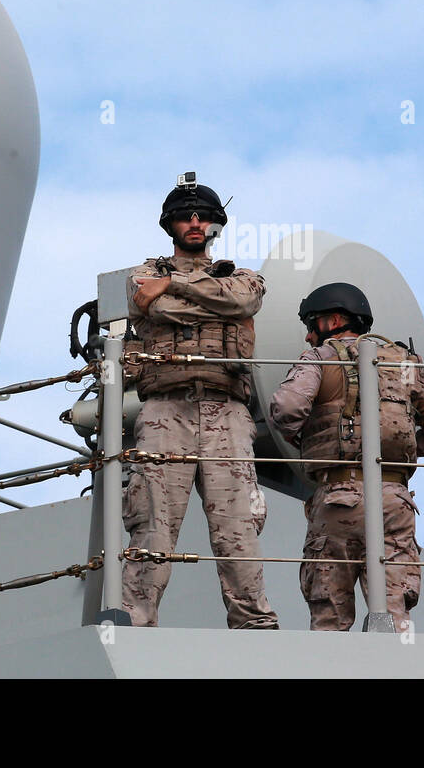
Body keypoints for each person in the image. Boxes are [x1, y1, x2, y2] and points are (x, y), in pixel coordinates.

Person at [119, 172, 279, 629]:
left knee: (237, 529)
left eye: (204, 218)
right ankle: (136, 624)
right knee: (153, 522)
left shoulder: (242, 278)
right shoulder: (143, 275)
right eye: (186, 217)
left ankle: (254, 626)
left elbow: (241, 303)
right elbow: (154, 306)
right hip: (165, 408)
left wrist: (173, 289)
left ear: (215, 226)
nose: (195, 223)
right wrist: (188, 298)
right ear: (170, 225)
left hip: (226, 410)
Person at [268, 282, 424, 631]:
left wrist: (310, 438)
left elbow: (287, 408)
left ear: (336, 320)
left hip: (338, 498)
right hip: (394, 502)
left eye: (313, 324)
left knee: (330, 617)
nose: (310, 336)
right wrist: (397, 452)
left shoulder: (319, 358)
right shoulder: (405, 363)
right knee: (394, 617)